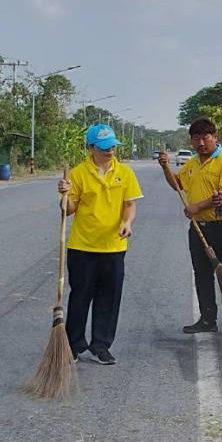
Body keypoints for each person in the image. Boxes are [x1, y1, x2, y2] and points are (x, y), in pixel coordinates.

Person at [58, 123, 143, 365]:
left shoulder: (125, 173)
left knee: (110, 297)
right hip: (82, 247)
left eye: (113, 146)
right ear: (91, 148)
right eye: (105, 147)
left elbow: (129, 204)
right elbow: (70, 210)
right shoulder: (77, 174)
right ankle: (74, 344)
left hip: (114, 247)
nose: (110, 151)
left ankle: (101, 345)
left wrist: (127, 222)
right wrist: (64, 195)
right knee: (80, 296)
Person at [159, 117, 222, 336]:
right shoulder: (192, 163)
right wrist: (165, 167)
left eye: (205, 138)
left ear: (215, 137)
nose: (201, 143)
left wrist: (197, 206)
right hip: (198, 228)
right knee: (201, 273)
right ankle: (207, 319)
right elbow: (177, 185)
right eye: (196, 139)